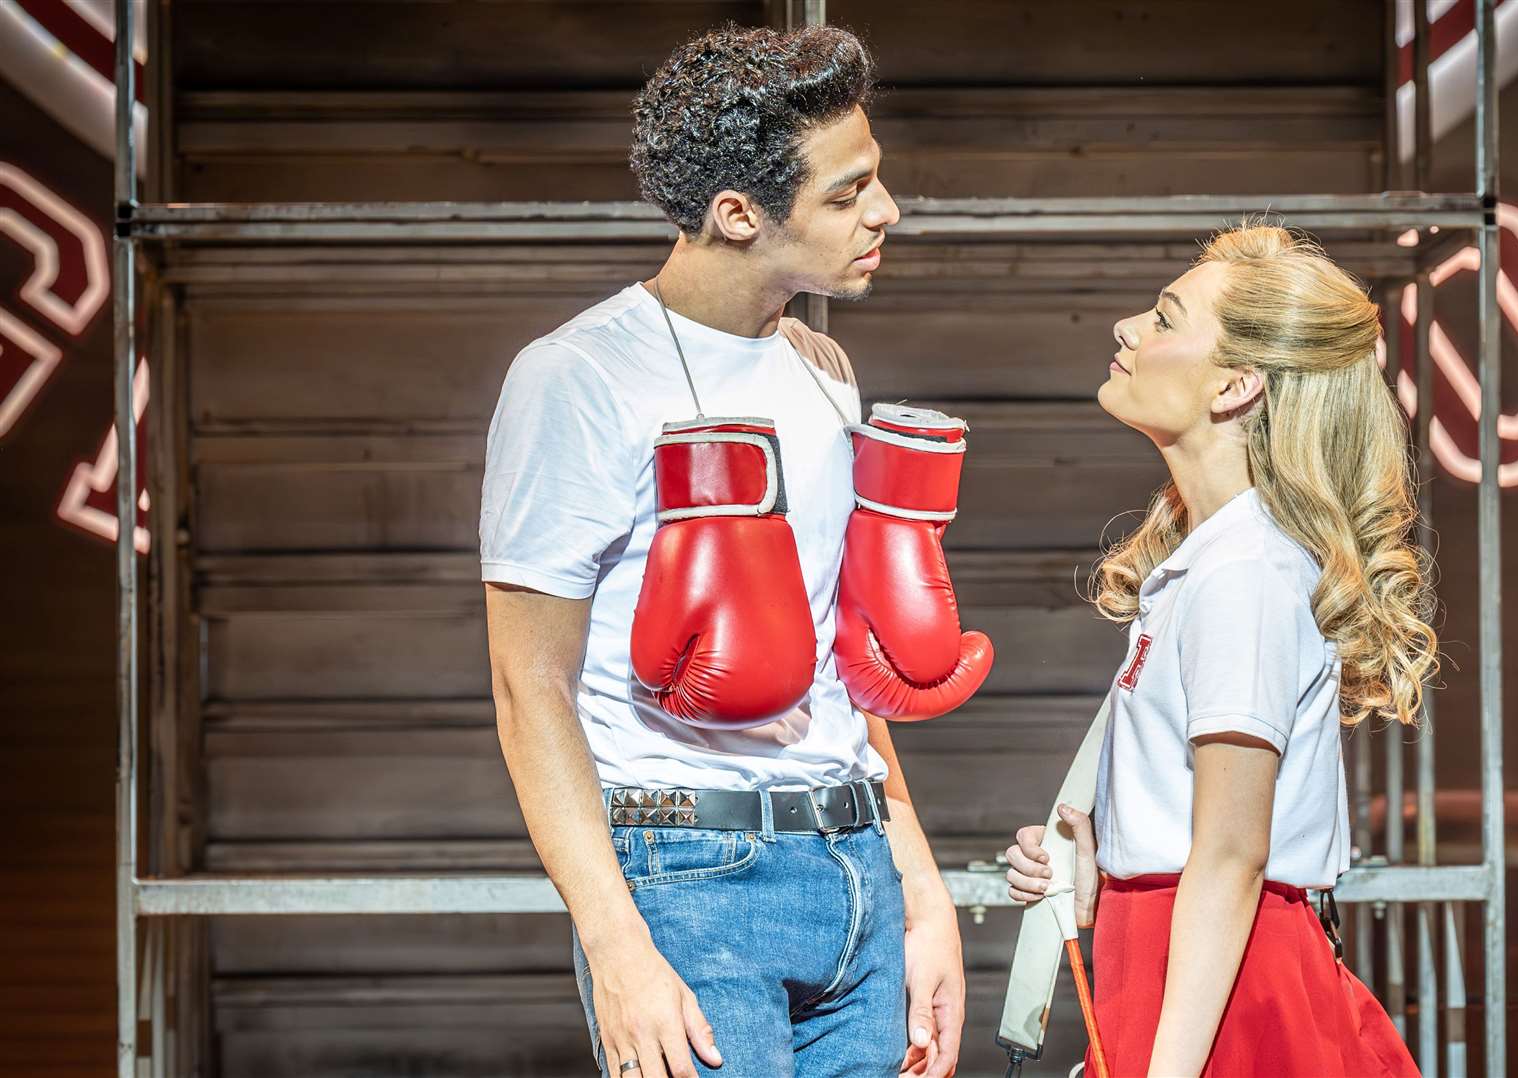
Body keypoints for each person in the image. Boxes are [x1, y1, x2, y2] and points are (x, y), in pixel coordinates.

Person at [480, 25, 965, 1078]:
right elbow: (529, 688)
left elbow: (846, 672)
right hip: (687, 875)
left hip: (852, 867)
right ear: (738, 215)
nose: (884, 212)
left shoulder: (822, 367)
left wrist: (921, 891)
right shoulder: (578, 377)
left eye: (875, 179)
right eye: (846, 195)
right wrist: (617, 948)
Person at [1004, 225, 1434, 1076]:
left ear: (1237, 385)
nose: (1128, 328)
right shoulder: (1216, 563)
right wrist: (1114, 861)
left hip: (1223, 995)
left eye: (1164, 319)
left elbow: (1234, 855)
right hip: (1181, 969)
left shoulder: (1245, 574)